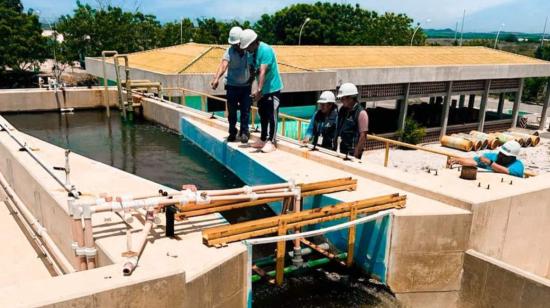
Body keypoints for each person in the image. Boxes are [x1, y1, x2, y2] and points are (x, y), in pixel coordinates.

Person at [239, 29, 283, 153]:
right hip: (263, 89)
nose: (246, 50)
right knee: (262, 113)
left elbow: (263, 71)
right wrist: (251, 88)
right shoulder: (250, 53)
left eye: (248, 47)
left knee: (272, 115)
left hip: (272, 88)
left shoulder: (266, 50)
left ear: (254, 42)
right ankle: (263, 138)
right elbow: (254, 72)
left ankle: (272, 141)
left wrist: (258, 90)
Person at [210, 26, 252, 143]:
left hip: (245, 86)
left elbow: (254, 67)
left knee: (245, 110)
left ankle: (244, 132)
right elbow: (223, 65)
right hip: (232, 86)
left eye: (236, 44)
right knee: (232, 111)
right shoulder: (229, 51)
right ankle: (232, 131)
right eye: (233, 44)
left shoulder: (249, 52)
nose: (235, 46)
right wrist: (216, 78)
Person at [449, 140, 524, 178]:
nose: (500, 156)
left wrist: (490, 163)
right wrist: (458, 160)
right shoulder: (491, 156)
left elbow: (507, 171)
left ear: (512, 157)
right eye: (500, 153)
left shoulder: (517, 165)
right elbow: (473, 161)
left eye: (504, 156)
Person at [335, 83, 369, 159]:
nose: (341, 100)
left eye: (343, 98)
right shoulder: (342, 110)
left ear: (350, 98)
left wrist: (356, 154)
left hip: (352, 152)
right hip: (340, 149)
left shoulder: (361, 113)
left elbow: (363, 136)